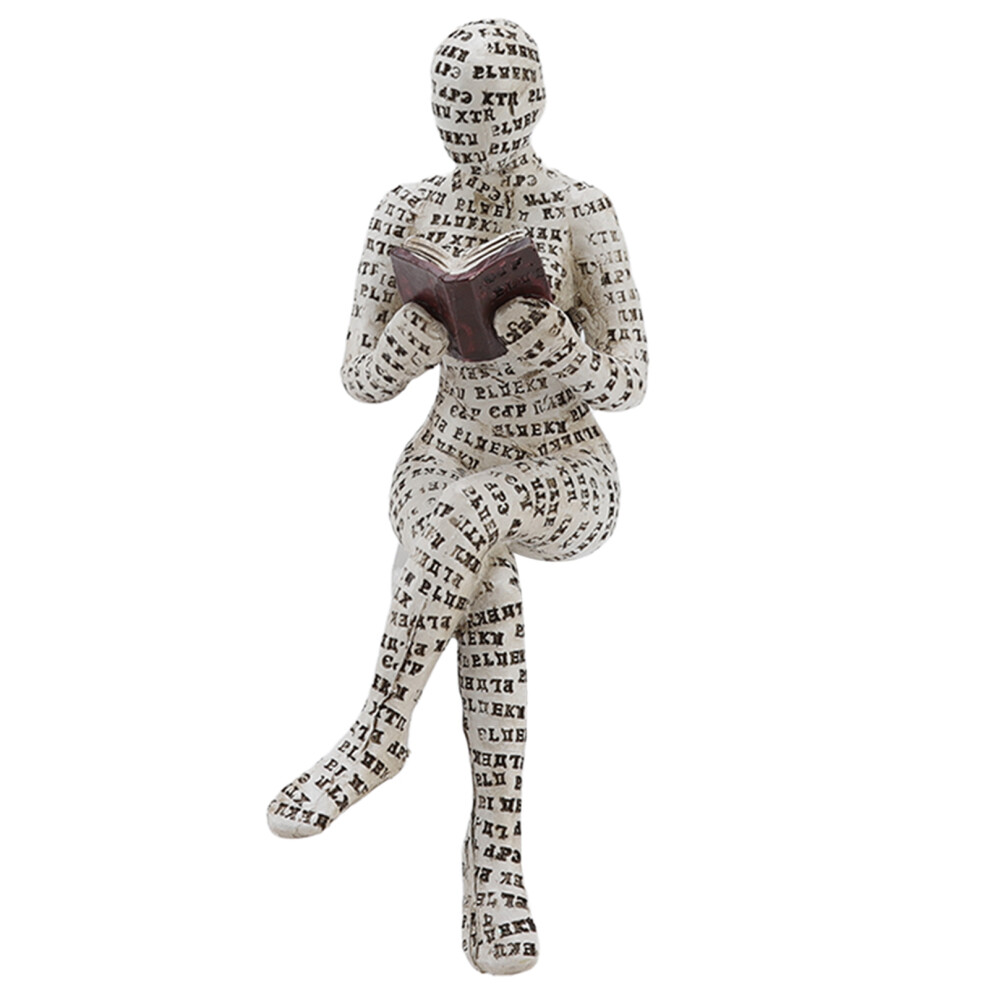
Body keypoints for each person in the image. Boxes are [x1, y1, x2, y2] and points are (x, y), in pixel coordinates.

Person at [267, 18, 647, 975]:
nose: (472, 124)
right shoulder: (403, 211)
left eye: (494, 104)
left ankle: (378, 732)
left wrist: (560, 348)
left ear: (536, 102)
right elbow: (359, 378)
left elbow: (631, 376)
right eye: (454, 106)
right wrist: (405, 344)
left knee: (470, 524)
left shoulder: (582, 209)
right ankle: (497, 865)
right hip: (443, 455)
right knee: (477, 561)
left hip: (564, 468)